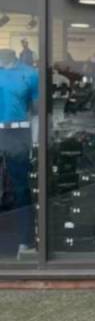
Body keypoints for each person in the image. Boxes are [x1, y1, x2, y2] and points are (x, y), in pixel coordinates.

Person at [0, 48, 39, 258]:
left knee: (21, 187)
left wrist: (36, 141)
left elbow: (38, 112)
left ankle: (26, 239)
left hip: (18, 132)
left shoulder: (30, 74)